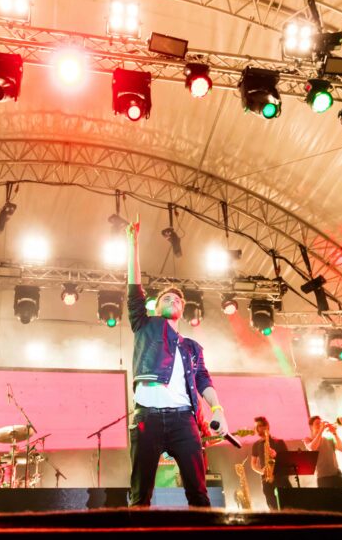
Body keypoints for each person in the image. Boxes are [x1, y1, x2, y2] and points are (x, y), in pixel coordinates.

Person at [126, 215, 228, 507]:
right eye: (167, 298)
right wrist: (132, 245)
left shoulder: (192, 347)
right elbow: (134, 290)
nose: (173, 300)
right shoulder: (145, 326)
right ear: (156, 308)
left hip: (184, 420)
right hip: (147, 418)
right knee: (140, 496)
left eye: (178, 299)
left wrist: (218, 409)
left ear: (183, 310)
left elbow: (203, 380)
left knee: (198, 493)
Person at [250, 416, 290, 510]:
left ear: (266, 426)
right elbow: (253, 464)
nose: (257, 429)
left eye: (259, 426)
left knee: (287, 507)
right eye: (256, 427)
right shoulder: (256, 445)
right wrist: (261, 471)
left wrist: (276, 455)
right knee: (272, 508)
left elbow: (288, 460)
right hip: (266, 481)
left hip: (281, 479)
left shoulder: (279, 442)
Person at [303, 415, 342, 488]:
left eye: (320, 423)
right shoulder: (308, 439)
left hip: (337, 476)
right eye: (317, 423)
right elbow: (312, 448)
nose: (320, 425)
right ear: (311, 427)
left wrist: (335, 433)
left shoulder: (328, 439)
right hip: (323, 478)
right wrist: (321, 430)